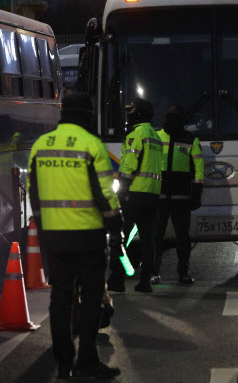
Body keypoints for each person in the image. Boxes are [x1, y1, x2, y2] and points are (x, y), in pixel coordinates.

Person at [28, 93, 122, 379]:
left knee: (60, 297)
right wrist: (116, 230)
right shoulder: (91, 145)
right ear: (87, 115)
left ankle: (63, 362)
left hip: (54, 237)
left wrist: (44, 230)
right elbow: (106, 195)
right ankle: (87, 362)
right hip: (88, 236)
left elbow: (34, 193)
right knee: (92, 298)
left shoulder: (40, 146)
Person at [108, 98, 162, 293]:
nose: (128, 115)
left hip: (134, 194)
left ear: (138, 113)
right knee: (149, 241)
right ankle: (145, 281)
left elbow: (130, 164)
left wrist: (122, 190)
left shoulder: (136, 134)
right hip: (152, 195)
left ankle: (117, 279)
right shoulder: (155, 136)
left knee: (120, 237)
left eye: (131, 111)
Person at [154, 106, 204, 284]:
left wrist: (197, 191)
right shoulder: (156, 137)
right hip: (160, 196)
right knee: (156, 236)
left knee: (182, 238)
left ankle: (183, 271)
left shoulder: (190, 139)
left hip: (181, 197)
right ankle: (154, 271)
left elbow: (198, 167)